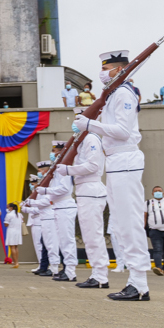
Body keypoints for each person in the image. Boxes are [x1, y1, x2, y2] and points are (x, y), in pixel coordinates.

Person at [73, 50, 152, 301]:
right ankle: (134, 280)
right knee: (119, 224)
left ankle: (139, 283)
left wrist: (89, 125)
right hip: (116, 161)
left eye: (107, 69)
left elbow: (122, 130)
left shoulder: (124, 93)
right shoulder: (113, 94)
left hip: (126, 158)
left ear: (119, 70)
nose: (103, 73)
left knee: (129, 222)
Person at [56, 113, 110, 289]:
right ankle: (97, 274)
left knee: (93, 235)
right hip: (85, 190)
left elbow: (93, 166)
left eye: (78, 119)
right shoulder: (83, 140)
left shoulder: (91, 139)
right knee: (89, 236)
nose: (74, 123)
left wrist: (69, 170)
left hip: (91, 189)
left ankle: (101, 276)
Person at [38, 140, 79, 282]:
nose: (52, 154)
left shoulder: (64, 168)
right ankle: (67, 268)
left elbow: (64, 189)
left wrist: (46, 190)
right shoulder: (57, 169)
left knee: (67, 240)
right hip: (59, 206)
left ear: (62, 152)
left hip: (65, 205)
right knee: (62, 241)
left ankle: (71, 271)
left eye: (55, 151)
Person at [25, 163, 58, 277]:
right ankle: (44, 266)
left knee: (48, 244)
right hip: (41, 219)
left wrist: (29, 205)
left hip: (45, 218)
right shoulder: (38, 192)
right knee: (43, 244)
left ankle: (53, 268)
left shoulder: (46, 188)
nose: (32, 185)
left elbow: (43, 204)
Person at [24, 175, 48, 274]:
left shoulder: (40, 194)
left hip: (39, 221)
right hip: (34, 221)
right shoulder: (33, 194)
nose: (31, 186)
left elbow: (40, 208)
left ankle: (43, 265)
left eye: (33, 184)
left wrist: (27, 209)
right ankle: (40, 264)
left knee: (40, 245)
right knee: (37, 244)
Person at [3, 203, 23, 268]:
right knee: (16, 247)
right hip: (18, 231)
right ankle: (16, 261)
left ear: (11, 208)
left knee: (12, 247)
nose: (7, 208)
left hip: (11, 231)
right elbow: (22, 221)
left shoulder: (9, 215)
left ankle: (15, 263)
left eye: (7, 207)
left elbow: (6, 224)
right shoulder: (19, 214)